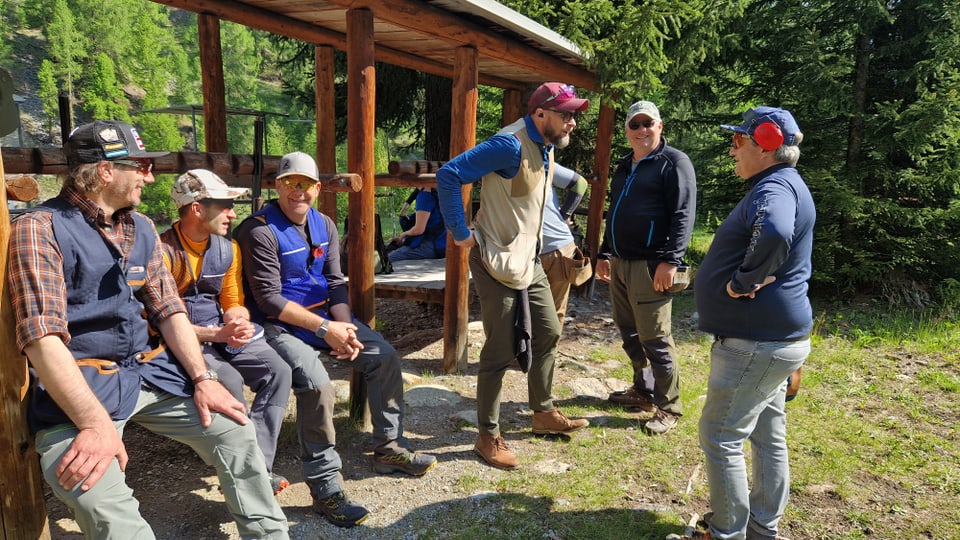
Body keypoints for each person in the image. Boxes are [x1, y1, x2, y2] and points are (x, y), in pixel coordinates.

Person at [7, 120, 288, 538]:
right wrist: (93, 424)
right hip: (78, 387)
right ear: (105, 170)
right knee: (91, 490)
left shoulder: (139, 227)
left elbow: (168, 309)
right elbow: (42, 339)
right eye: (140, 165)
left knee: (236, 430)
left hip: (147, 371)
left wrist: (204, 378)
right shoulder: (40, 228)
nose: (150, 176)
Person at [234, 151, 437, 528]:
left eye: (307, 185)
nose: (299, 192)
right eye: (291, 183)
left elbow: (335, 283)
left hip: (325, 319)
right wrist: (326, 330)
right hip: (277, 326)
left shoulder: (323, 223)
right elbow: (269, 300)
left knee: (384, 355)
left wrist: (344, 328)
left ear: (317, 188)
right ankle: (326, 488)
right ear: (277, 185)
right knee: (316, 384)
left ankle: (390, 448)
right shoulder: (257, 230)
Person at [435, 81, 591, 470]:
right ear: (540, 114)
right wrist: (459, 232)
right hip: (495, 260)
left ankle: (543, 412)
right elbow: (450, 174)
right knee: (500, 348)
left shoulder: (547, 146)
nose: (572, 122)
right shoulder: (509, 144)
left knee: (550, 330)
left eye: (574, 115)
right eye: (566, 114)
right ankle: (487, 435)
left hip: (529, 260)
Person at [685, 107, 814, 540]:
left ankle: (727, 533)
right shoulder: (788, 184)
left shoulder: (774, 187)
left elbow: (775, 230)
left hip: (753, 344)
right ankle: (762, 529)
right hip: (774, 341)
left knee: (721, 436)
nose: (732, 149)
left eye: (739, 140)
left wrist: (743, 283)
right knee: (767, 433)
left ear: (766, 142)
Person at [160, 169, 294, 495]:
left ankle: (256, 468)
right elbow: (158, 322)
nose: (233, 214)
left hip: (222, 334)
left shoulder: (228, 248)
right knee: (230, 381)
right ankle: (245, 475)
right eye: (225, 206)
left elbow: (233, 299)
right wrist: (215, 335)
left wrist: (237, 320)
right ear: (196, 208)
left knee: (279, 371)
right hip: (182, 341)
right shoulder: (160, 252)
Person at [595, 100, 697, 435]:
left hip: (652, 266)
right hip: (621, 263)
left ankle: (668, 406)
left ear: (660, 126)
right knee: (629, 332)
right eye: (634, 125)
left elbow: (683, 214)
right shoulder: (625, 165)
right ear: (627, 130)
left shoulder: (674, 163)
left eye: (647, 124)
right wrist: (604, 252)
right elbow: (615, 211)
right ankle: (643, 390)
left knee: (655, 337)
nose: (641, 131)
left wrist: (671, 261)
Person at [539, 163, 590, 321]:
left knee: (553, 313)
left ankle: (548, 346)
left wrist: (564, 215)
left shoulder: (543, 160)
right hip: (527, 251)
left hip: (557, 250)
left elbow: (580, 183)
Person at [387, 187, 446, 262]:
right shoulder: (441, 192)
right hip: (443, 243)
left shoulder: (425, 196)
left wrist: (403, 234)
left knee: (386, 259)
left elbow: (419, 230)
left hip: (431, 245)